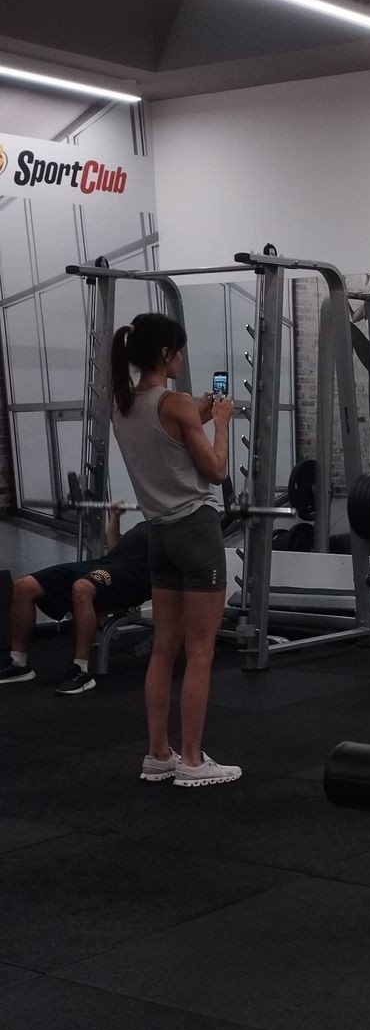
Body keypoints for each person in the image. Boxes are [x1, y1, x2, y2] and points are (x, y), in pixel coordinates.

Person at [109, 311, 240, 786]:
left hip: (158, 536)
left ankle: (158, 754)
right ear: (166, 355)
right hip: (196, 532)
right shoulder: (176, 403)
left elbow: (167, 434)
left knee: (164, 650)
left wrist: (201, 411)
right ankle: (191, 761)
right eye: (178, 350)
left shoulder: (123, 404)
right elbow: (216, 471)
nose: (182, 358)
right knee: (201, 652)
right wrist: (221, 421)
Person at [0, 504, 151, 694]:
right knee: (24, 585)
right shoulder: (144, 524)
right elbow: (115, 548)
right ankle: (19, 664)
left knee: (82, 588)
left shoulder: (175, 530)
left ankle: (81, 671)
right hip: (105, 565)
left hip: (132, 578)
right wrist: (114, 516)